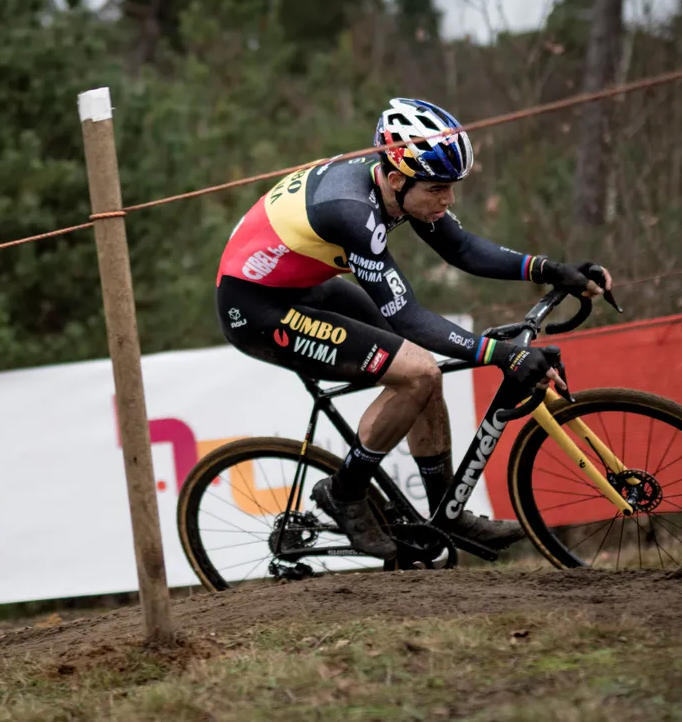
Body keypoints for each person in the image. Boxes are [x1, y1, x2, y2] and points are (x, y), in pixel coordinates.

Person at [215, 97, 612, 558]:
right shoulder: (352, 211)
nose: (448, 200)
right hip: (258, 309)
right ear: (398, 179)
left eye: (452, 187)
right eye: (439, 189)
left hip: (304, 287)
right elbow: (408, 316)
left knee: (423, 373)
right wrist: (502, 354)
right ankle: (344, 493)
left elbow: (462, 249)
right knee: (418, 370)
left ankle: (447, 512)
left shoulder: (396, 185)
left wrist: (550, 269)